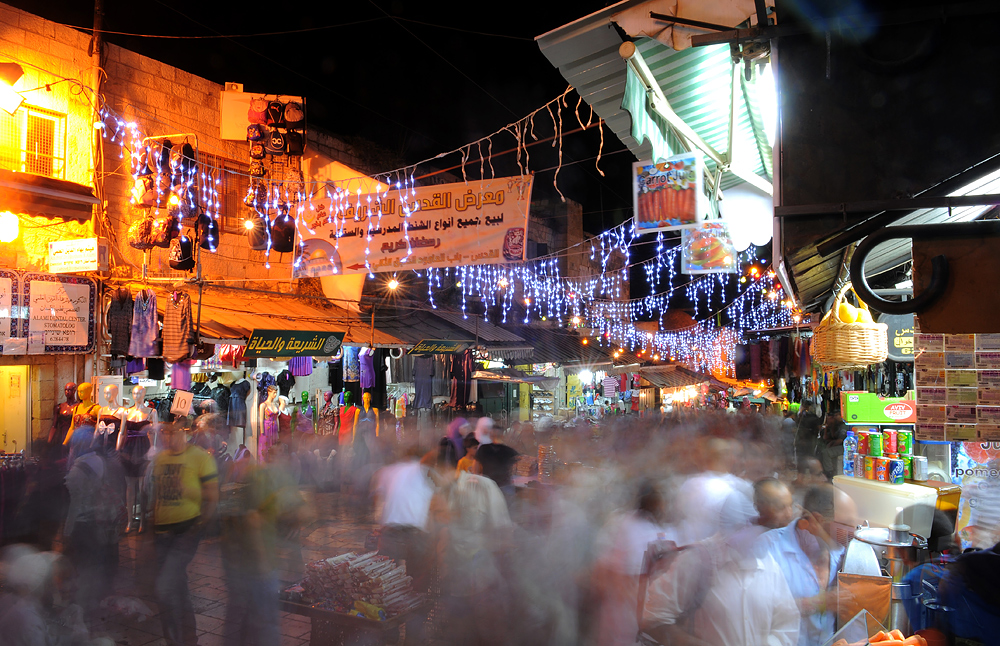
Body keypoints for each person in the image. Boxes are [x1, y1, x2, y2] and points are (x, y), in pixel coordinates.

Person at [641, 499, 800, 646]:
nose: (769, 537)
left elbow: (787, 623)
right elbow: (653, 620)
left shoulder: (770, 565)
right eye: (762, 528)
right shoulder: (696, 561)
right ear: (738, 526)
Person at [755, 485, 850, 646]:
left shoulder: (840, 552)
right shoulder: (768, 548)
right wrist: (818, 602)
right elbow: (756, 610)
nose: (852, 531)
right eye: (846, 524)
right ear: (817, 520)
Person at [151, 422, 219, 646]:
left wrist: (201, 524)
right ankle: (181, 639)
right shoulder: (160, 459)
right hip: (162, 531)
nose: (168, 438)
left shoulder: (199, 457)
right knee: (176, 587)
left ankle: (181, 638)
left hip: (186, 530)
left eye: (173, 433)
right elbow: (156, 495)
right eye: (165, 433)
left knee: (165, 587)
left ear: (184, 433)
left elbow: (212, 496)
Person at [63, 425, 126, 622]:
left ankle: (86, 610)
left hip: (85, 524)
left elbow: (73, 503)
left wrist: (66, 531)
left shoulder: (79, 467)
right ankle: (100, 605)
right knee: (103, 567)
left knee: (86, 569)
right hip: (105, 522)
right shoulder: (106, 461)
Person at [473, 418, 519, 495]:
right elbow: (515, 468)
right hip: (504, 485)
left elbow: (475, 467)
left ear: (490, 435)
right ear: (503, 435)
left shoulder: (483, 448)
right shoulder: (509, 450)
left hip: (488, 485)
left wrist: (478, 479)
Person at [817, 410, 847, 478]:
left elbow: (839, 440)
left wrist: (831, 445)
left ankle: (829, 472)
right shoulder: (837, 425)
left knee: (826, 452)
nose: (835, 417)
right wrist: (830, 426)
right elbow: (828, 437)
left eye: (837, 415)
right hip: (838, 445)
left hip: (844, 446)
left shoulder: (844, 426)